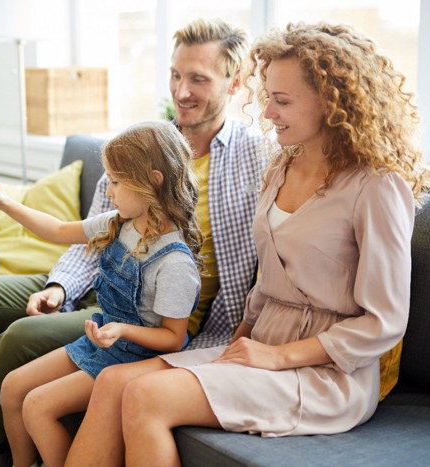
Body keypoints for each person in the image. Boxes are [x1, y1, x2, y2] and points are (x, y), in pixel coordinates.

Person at [65, 21, 427, 467]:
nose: (268, 112)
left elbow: (384, 321)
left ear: (331, 103)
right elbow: (267, 282)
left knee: (144, 395)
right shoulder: (280, 167)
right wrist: (240, 341)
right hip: (258, 347)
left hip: (327, 373)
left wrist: (277, 356)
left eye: (282, 100)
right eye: (268, 97)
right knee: (112, 382)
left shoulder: (377, 187)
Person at [0, 17, 264, 467]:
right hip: (100, 293)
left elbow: (179, 325)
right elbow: (77, 233)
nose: (181, 91)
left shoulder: (255, 158)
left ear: (235, 81)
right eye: (175, 75)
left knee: (22, 344)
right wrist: (58, 286)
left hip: (148, 320)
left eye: (198, 79)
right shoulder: (141, 153)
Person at [0, 120, 202, 467]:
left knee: (37, 406)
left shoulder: (175, 263)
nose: (109, 191)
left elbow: (173, 339)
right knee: (13, 389)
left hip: (133, 357)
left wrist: (121, 330)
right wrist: (5, 204)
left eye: (117, 182)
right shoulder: (119, 222)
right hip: (104, 341)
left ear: (153, 181)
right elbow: (59, 230)